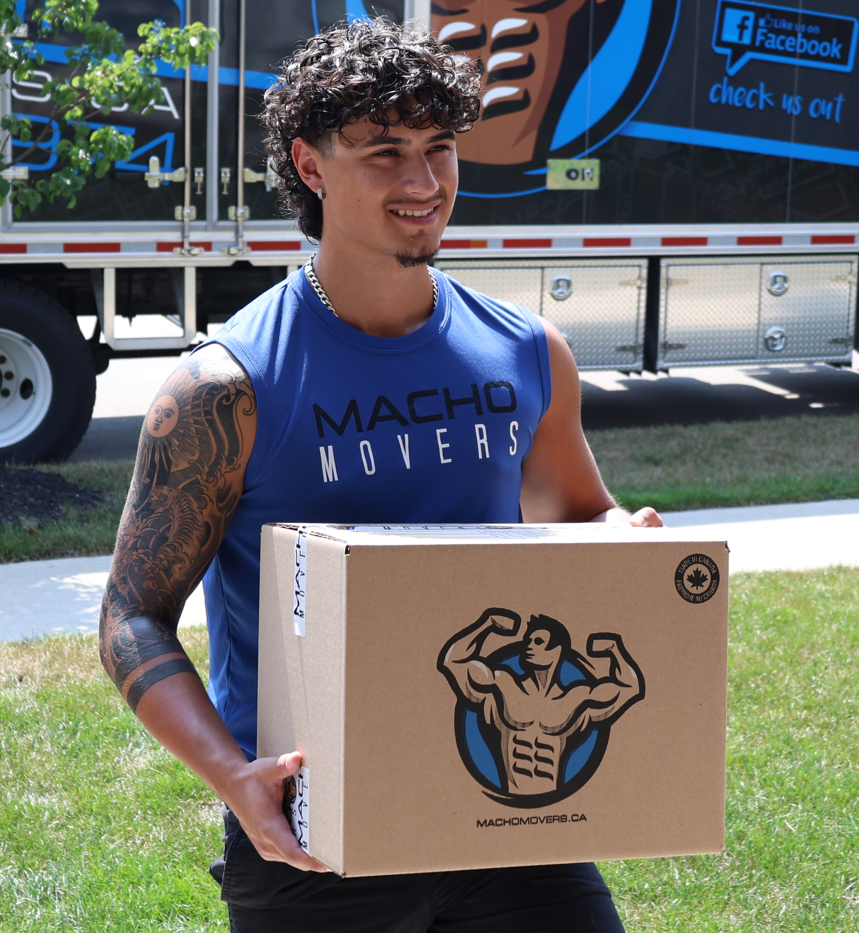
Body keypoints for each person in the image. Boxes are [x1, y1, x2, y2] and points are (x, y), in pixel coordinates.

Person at [98, 18, 659, 932]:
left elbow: (579, 517)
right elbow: (130, 613)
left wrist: (618, 539)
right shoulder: (226, 386)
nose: (424, 182)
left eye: (440, 148)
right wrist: (233, 778)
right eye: (384, 151)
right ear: (310, 166)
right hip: (312, 831)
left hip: (510, 817)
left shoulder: (528, 353)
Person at [438, 609, 644, 801]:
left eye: (538, 642)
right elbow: (453, 661)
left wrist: (615, 649)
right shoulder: (503, 685)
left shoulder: (576, 698)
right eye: (529, 640)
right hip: (510, 795)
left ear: (557, 650)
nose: (528, 646)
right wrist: (486, 624)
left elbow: (629, 687)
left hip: (557, 799)